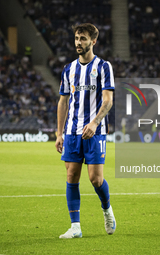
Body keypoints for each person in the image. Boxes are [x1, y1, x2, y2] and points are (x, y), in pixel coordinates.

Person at [55, 23, 116, 239]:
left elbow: (108, 101)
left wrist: (95, 122)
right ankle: (75, 227)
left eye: (83, 38)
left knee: (95, 179)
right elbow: (63, 102)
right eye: (76, 38)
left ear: (93, 41)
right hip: (72, 131)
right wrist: (59, 133)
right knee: (72, 176)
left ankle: (107, 210)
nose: (78, 42)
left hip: (95, 131)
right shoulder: (68, 69)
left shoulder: (103, 67)